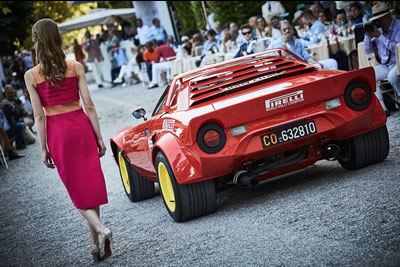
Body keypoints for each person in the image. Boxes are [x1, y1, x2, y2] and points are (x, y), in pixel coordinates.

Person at [24, 18, 112, 262]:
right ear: (58, 37)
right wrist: (99, 136)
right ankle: (95, 245)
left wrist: (43, 148)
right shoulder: (76, 67)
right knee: (90, 185)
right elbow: (90, 105)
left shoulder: (31, 75)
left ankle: (102, 230)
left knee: (76, 189)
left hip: (59, 134)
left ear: (37, 41)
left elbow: (38, 115)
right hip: (81, 127)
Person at [363, 2, 400, 116]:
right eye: (377, 19)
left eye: (382, 19)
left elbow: (397, 49)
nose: (380, 22)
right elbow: (368, 50)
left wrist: (380, 36)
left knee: (392, 77)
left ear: (388, 16)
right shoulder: (378, 29)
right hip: (386, 65)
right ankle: (383, 109)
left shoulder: (398, 26)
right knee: (369, 75)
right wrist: (368, 35)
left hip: (398, 62)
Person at [268, 20, 338, 70]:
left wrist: (317, 63)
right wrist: (284, 42)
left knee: (332, 62)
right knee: (319, 67)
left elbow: (306, 56)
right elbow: (284, 58)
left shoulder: (297, 41)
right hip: (294, 69)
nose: (287, 31)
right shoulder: (279, 43)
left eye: (288, 28)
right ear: (280, 31)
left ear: (291, 28)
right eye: (284, 30)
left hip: (305, 65)